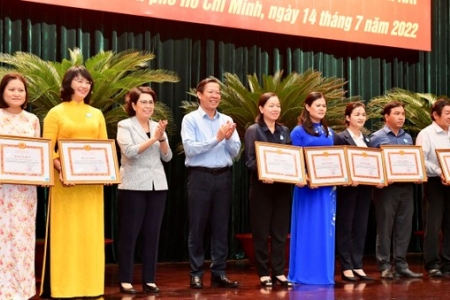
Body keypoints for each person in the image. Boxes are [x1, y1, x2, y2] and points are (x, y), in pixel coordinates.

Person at [40, 66, 108, 298]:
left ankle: (91, 287)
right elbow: (47, 149)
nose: (83, 85)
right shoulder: (55, 113)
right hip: (65, 184)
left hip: (91, 187)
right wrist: (62, 167)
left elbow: (103, 147)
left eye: (87, 81)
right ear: (68, 83)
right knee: (67, 236)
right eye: (78, 80)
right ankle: (64, 287)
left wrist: (107, 172)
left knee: (90, 235)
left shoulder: (96, 113)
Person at [181, 78, 241, 289]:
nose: (215, 96)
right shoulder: (190, 120)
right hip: (200, 177)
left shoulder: (227, 119)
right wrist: (217, 138)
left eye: (218, 92)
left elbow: (235, 153)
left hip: (223, 176)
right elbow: (190, 149)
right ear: (199, 94)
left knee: (220, 226)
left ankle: (219, 273)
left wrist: (229, 138)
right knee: (197, 226)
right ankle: (196, 273)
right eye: (211, 92)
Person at [116, 86, 172, 294]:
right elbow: (130, 153)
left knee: (152, 234)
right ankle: (125, 279)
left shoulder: (158, 126)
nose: (148, 106)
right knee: (129, 234)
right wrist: (154, 138)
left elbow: (167, 157)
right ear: (133, 105)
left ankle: (149, 279)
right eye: (143, 102)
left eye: (151, 102)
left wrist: (162, 137)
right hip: (132, 185)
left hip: (157, 185)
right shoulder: (125, 125)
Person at [244, 92, 295, 288]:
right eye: (271, 105)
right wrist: (265, 171)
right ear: (261, 108)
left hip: (282, 188)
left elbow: (291, 158)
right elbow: (250, 161)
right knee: (261, 232)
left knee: (280, 232)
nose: (275, 109)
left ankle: (279, 272)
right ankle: (264, 273)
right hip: (262, 189)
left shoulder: (284, 130)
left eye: (278, 106)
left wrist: (296, 174)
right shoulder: (254, 130)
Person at [369, 101, 423, 279]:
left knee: (404, 227)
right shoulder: (376, 137)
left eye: (403, 114)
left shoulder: (407, 138)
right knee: (385, 228)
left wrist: (418, 174)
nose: (401, 117)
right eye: (397, 113)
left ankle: (401, 264)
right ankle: (384, 265)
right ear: (386, 117)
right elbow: (370, 165)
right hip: (386, 190)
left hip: (406, 188)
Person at [288, 91, 336, 285]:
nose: (322, 109)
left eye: (324, 106)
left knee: (325, 230)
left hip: (326, 188)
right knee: (308, 228)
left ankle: (324, 274)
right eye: (318, 105)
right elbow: (295, 160)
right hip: (307, 188)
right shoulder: (298, 132)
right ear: (307, 107)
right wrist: (305, 176)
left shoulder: (329, 131)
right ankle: (303, 273)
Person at [0, 73, 40, 299]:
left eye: (21, 90)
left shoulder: (32, 120)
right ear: (3, 92)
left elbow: (38, 155)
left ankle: (22, 289)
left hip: (25, 190)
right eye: (11, 89)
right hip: (2, 188)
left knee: (23, 237)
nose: (16, 94)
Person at [334, 102, 375, 282]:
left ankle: (357, 265)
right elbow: (337, 164)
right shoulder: (340, 138)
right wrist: (348, 177)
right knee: (346, 227)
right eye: (357, 114)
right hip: (347, 190)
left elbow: (373, 165)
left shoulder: (367, 140)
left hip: (365, 189)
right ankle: (346, 266)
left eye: (363, 114)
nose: (360, 117)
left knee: (360, 227)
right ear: (348, 117)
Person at [416, 98, 450, 277]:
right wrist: (440, 171)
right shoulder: (426, 134)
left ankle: (447, 262)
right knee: (434, 223)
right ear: (435, 115)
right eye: (447, 113)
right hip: (434, 183)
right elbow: (421, 159)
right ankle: (432, 264)